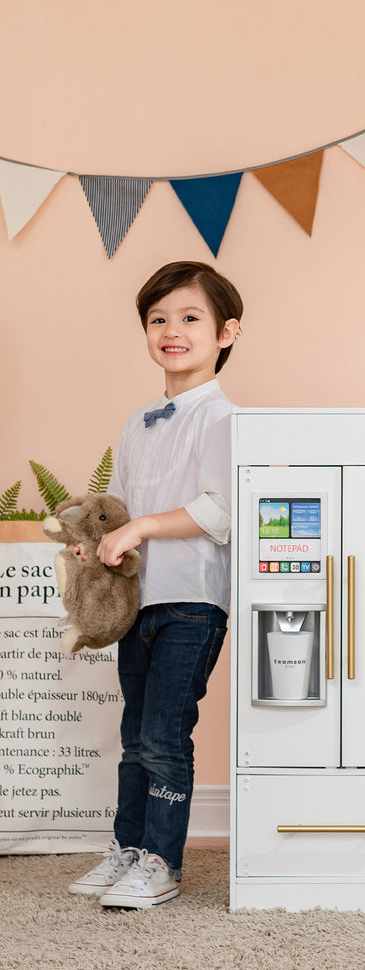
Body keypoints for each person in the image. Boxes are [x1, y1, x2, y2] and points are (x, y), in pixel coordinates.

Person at [67, 260, 242, 909]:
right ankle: (130, 848)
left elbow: (219, 510)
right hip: (136, 602)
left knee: (166, 735)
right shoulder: (140, 419)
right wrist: (96, 533)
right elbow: (116, 504)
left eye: (190, 318)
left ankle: (163, 861)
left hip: (192, 604)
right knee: (136, 735)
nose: (172, 330)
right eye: (158, 319)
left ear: (226, 331)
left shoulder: (222, 419)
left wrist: (140, 527)